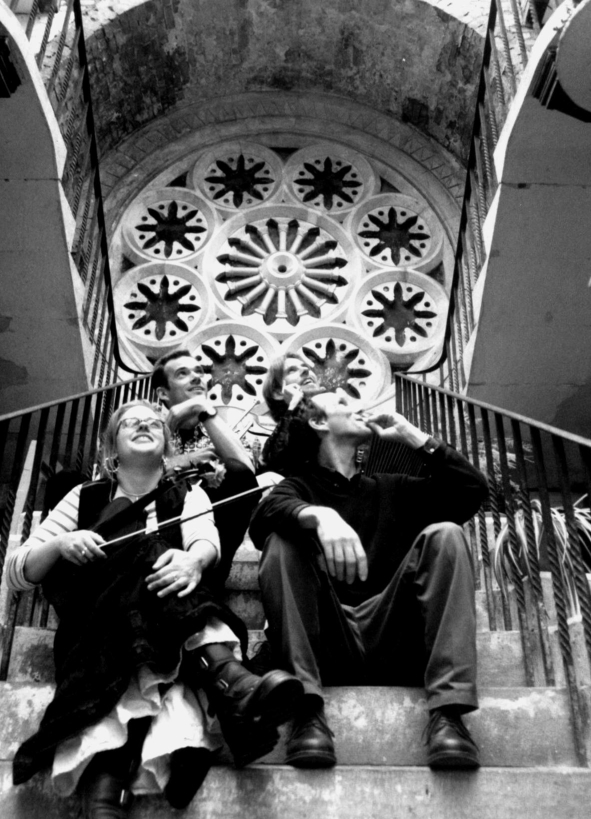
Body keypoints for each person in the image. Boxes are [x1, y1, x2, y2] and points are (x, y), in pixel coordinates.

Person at [6, 400, 303, 818]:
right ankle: (229, 681)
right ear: (112, 447)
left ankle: (106, 787)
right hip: (94, 625)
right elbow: (17, 572)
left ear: (167, 446)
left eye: (153, 423)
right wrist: (60, 544)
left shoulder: (190, 494)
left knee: (166, 561)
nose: (144, 425)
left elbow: (206, 543)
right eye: (131, 422)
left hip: (160, 625)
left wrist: (193, 561)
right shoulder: (84, 497)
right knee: (150, 554)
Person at [248, 390, 488, 770]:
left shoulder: (393, 488)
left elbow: (470, 491)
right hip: (329, 642)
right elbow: (264, 519)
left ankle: (449, 716)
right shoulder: (297, 487)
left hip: (393, 637)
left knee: (446, 534)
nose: (358, 405)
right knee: (281, 542)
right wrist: (320, 516)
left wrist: (413, 436)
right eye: (343, 401)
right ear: (319, 422)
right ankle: (306, 712)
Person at [152, 350, 258, 586]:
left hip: (210, 540)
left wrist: (203, 408)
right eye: (182, 373)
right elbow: (131, 475)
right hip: (157, 527)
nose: (196, 377)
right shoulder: (144, 426)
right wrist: (184, 460)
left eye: (199, 372)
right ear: (163, 393)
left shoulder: (223, 431)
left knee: (237, 473)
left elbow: (246, 475)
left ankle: (207, 580)